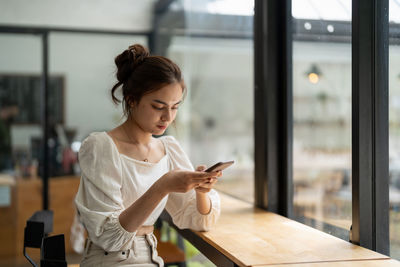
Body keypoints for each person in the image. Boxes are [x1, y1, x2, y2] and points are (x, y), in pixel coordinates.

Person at [75, 44, 221, 267]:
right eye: (158, 106)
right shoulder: (102, 147)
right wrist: (163, 186)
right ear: (132, 100)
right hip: (112, 260)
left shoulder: (168, 149)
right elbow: (108, 237)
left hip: (150, 256)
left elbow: (199, 222)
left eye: (175, 107)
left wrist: (201, 191)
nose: (167, 117)